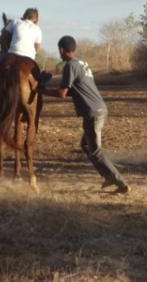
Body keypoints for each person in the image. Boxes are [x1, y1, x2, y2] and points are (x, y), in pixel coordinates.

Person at [40, 35, 130, 194]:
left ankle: (120, 182)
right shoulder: (82, 64)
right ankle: (108, 177)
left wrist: (41, 90)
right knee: (86, 145)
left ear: (61, 49)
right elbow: (75, 91)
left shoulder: (69, 66)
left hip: (92, 112)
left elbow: (61, 93)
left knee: (95, 151)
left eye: (58, 49)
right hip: (98, 108)